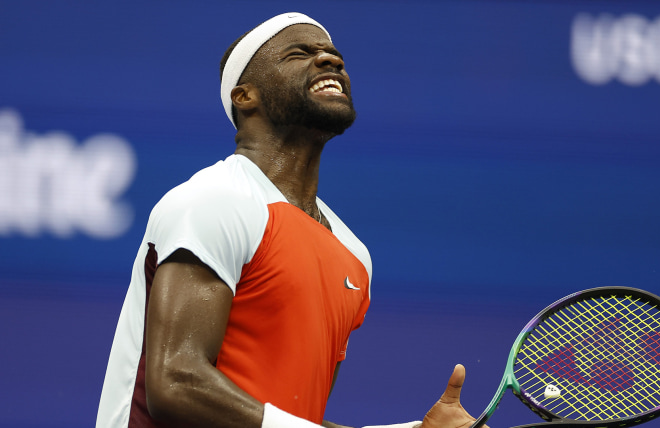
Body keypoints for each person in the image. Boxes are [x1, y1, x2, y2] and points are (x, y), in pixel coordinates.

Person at [97, 12, 483, 428]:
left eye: (334, 56)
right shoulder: (213, 201)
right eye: (300, 54)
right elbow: (176, 384)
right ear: (245, 97)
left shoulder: (354, 256)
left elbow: (295, 419)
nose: (329, 61)